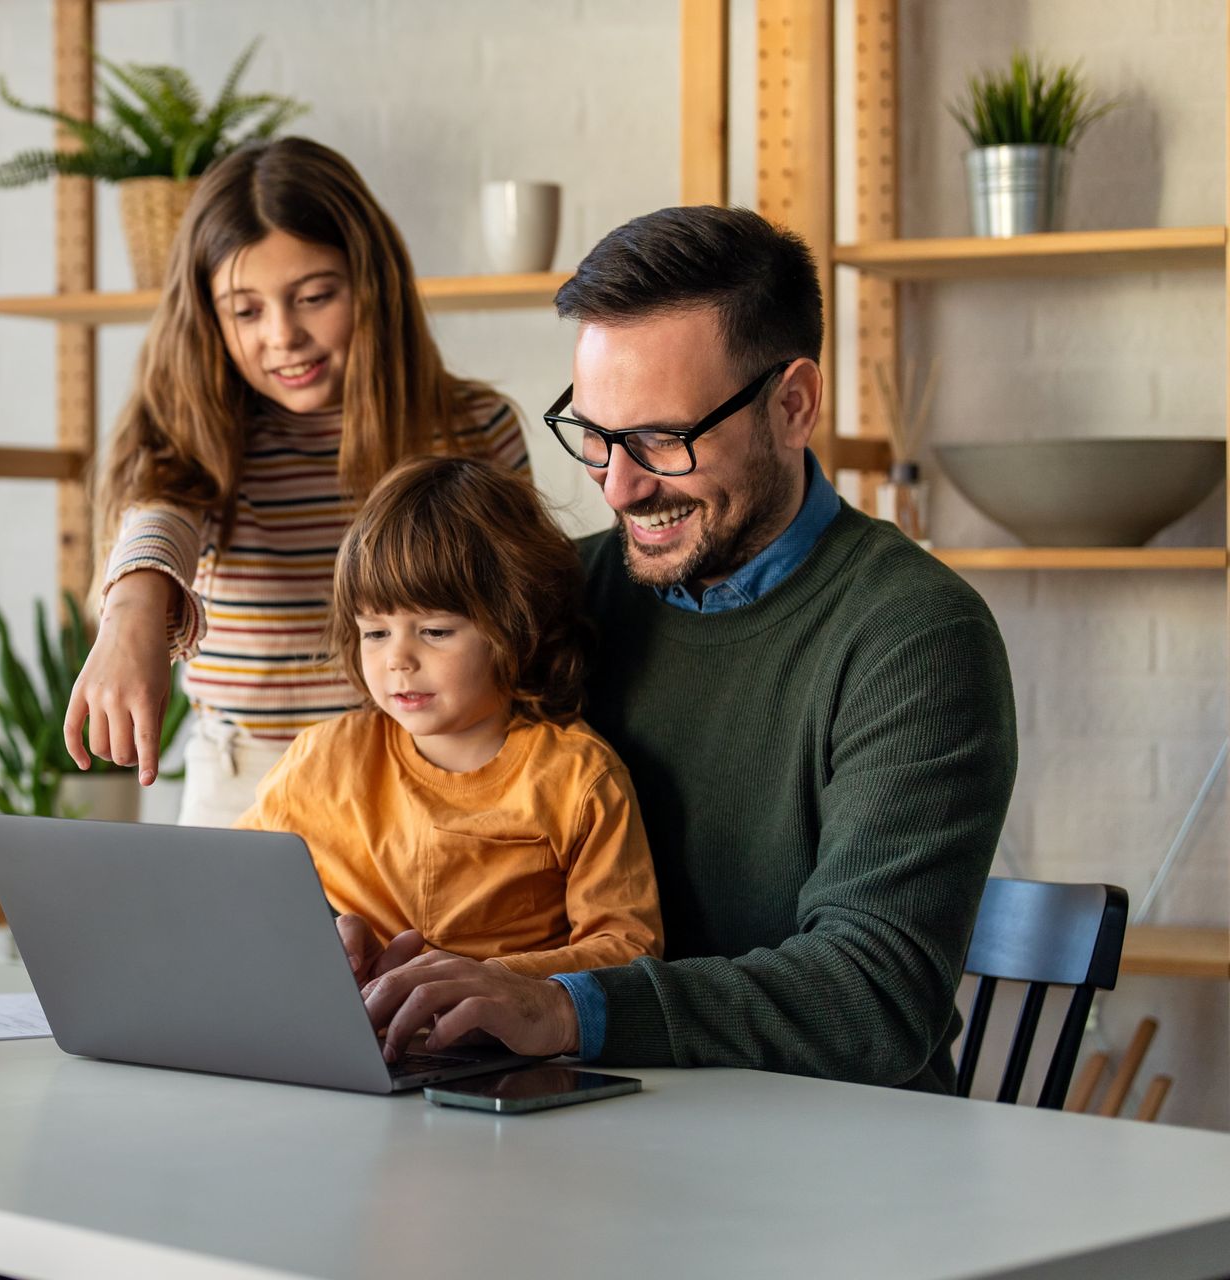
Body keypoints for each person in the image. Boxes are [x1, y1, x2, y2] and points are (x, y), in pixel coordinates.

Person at [360, 205, 1018, 1090]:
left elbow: (875, 994)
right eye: (593, 435)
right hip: (585, 1131)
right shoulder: (557, 597)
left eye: (662, 440)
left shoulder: (915, 637)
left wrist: (566, 1009)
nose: (619, 485)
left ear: (793, 405)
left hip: (841, 1165)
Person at [63, 137, 527, 828]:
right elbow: (162, 516)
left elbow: (525, 622)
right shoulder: (194, 435)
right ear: (208, 318)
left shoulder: (474, 428)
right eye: (246, 311)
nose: (283, 335)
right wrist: (131, 610)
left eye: (313, 297)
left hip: (432, 787)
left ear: (370, 285)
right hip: (243, 788)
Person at [234, 456, 662, 981]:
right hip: (341, 1040)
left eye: (434, 631)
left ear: (520, 626)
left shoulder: (579, 776)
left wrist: (500, 983)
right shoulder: (323, 758)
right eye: (375, 632)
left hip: (497, 1049)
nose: (398, 659)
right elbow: (235, 887)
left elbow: (626, 947)